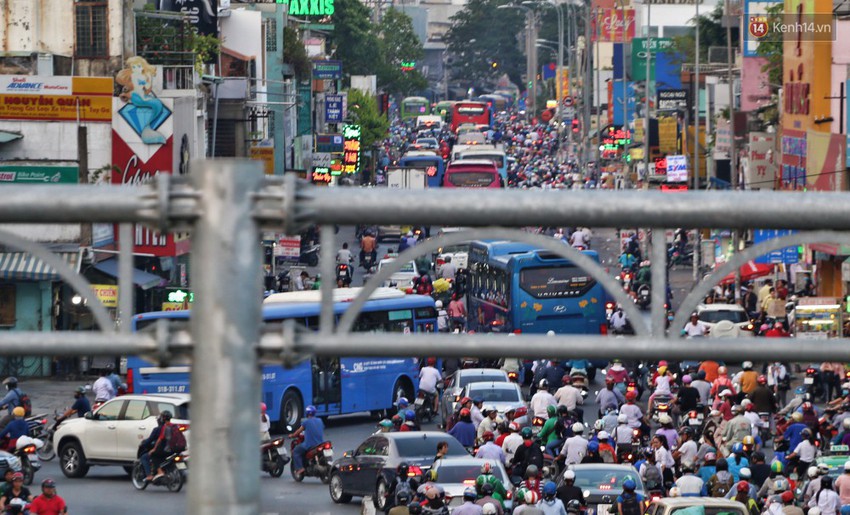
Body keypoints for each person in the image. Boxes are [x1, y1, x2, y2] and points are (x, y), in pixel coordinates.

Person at [290, 405, 324, 478]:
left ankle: (300, 468)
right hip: (321, 444)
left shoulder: (306, 422)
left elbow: (298, 432)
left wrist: (292, 435)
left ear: (307, 413)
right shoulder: (320, 420)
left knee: (296, 451)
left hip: (309, 445)